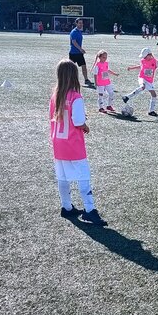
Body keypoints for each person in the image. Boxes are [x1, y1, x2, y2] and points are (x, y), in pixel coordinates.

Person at [50, 59, 106, 226]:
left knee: (62, 176)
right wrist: (86, 126)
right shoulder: (76, 97)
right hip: (73, 144)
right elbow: (78, 120)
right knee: (83, 177)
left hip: (58, 143)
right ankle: (89, 210)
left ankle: (66, 207)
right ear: (74, 76)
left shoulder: (55, 96)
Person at [122, 48, 158, 116]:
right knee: (142, 87)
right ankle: (127, 97)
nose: (144, 57)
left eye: (145, 56)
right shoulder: (142, 60)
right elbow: (140, 67)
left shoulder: (154, 61)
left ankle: (151, 111)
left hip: (149, 81)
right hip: (142, 77)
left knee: (154, 95)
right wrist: (132, 68)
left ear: (150, 55)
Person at [68, 18, 93, 87]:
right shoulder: (74, 32)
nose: (81, 24)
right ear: (76, 23)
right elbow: (74, 42)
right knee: (71, 68)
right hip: (73, 53)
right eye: (79, 23)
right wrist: (81, 49)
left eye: (81, 23)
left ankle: (86, 80)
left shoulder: (79, 31)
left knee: (84, 66)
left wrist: (80, 50)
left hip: (79, 53)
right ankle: (68, 80)